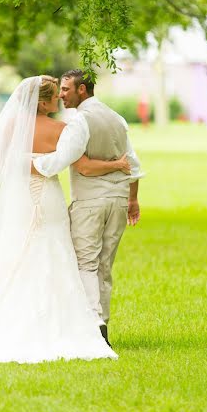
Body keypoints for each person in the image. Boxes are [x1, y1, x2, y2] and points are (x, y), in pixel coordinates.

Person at [0, 76, 131, 364]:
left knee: (17, 254)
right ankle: (69, 324)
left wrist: (22, 162)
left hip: (18, 200)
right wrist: (118, 164)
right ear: (43, 103)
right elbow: (82, 165)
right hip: (48, 198)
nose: (60, 100)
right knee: (56, 252)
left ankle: (7, 321)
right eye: (55, 96)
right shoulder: (61, 129)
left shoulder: (10, 127)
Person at [33, 70, 144, 346]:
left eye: (67, 89)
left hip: (90, 203)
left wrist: (32, 162)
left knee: (86, 263)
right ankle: (101, 322)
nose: (61, 95)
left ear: (82, 90)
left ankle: (94, 326)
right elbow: (134, 163)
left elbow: (65, 160)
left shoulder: (79, 121)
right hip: (118, 201)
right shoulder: (116, 118)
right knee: (104, 266)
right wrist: (132, 200)